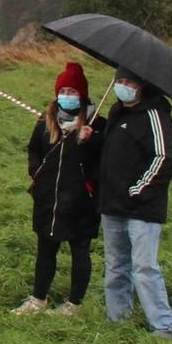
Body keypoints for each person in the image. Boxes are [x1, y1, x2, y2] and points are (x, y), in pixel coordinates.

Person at [88, 66, 172, 339]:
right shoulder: (117, 112)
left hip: (142, 209)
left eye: (129, 82)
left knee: (144, 268)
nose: (123, 86)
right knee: (115, 266)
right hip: (111, 205)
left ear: (142, 85)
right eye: (120, 81)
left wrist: (138, 191)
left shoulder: (155, 115)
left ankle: (164, 326)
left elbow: (163, 159)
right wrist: (91, 136)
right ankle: (118, 320)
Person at [12, 62, 101, 316]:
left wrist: (89, 141)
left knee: (79, 251)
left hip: (81, 202)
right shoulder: (45, 121)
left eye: (72, 91)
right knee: (45, 250)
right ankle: (38, 298)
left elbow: (101, 161)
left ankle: (74, 304)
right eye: (63, 91)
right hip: (48, 199)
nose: (67, 96)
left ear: (82, 95)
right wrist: (36, 173)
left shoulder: (96, 124)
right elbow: (33, 150)